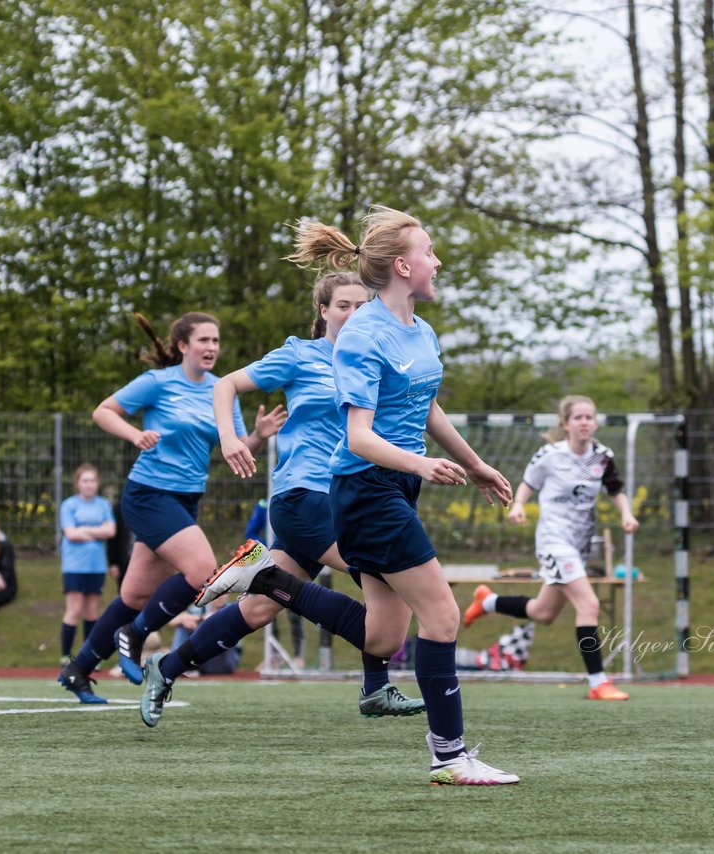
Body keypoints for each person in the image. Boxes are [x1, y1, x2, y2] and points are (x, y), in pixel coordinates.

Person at [197, 206, 518, 785]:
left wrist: (474, 464)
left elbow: (427, 409)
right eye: (428, 252)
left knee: (382, 636)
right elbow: (359, 438)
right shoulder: (363, 336)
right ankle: (450, 756)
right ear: (403, 266)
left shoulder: (420, 332)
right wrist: (423, 462)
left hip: (397, 483)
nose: (437, 260)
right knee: (442, 612)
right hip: (365, 488)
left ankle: (267, 579)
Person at [137, 272, 424, 727]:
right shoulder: (299, 355)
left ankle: (165, 668)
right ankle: (374, 687)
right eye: (343, 306)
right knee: (385, 576)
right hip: (304, 496)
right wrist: (231, 438)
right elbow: (224, 385)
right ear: (323, 312)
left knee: (258, 608)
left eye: (360, 306)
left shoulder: (373, 358)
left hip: (348, 498)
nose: (353, 314)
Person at [55, 311, 284, 704]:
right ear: (182, 346)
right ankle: (135, 635)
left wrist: (258, 437)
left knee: (134, 596)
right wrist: (135, 434)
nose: (212, 347)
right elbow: (103, 411)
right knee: (202, 573)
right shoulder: (157, 383)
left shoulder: (220, 392)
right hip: (148, 494)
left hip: (186, 500)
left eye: (216, 341)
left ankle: (78, 670)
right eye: (203, 340)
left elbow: (236, 448)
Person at [462, 394, 640, 700]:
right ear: (565, 423)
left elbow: (616, 490)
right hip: (554, 542)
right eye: (578, 417)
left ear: (595, 422)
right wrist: (518, 505)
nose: (584, 422)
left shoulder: (602, 456)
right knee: (589, 605)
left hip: (578, 544)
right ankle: (598, 682)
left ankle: (487, 601)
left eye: (589, 417)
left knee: (543, 613)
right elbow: (529, 483)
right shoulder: (550, 454)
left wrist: (626, 513)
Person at [58, 464, 116, 665]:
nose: (89, 485)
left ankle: (89, 657)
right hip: (75, 566)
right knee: (73, 611)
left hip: (96, 566)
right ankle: (66, 656)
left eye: (92, 480)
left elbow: (110, 531)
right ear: (77, 484)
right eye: (85, 480)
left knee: (92, 612)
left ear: (97, 484)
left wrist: (85, 530)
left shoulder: (103, 505)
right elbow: (71, 533)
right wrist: (96, 530)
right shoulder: (69, 505)